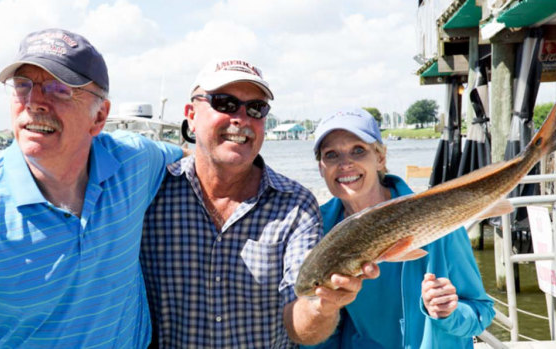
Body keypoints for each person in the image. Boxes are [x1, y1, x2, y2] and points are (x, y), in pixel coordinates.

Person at [140, 59, 379, 348]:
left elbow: (301, 327)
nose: (241, 118)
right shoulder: (150, 191)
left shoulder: (296, 206)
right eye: (225, 103)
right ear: (191, 114)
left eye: (255, 108)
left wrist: (323, 306)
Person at [0, 28, 184, 348]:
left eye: (58, 89)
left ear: (99, 117)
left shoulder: (133, 161)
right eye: (22, 86)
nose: (34, 102)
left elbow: (193, 157)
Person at [303, 108, 495, 348]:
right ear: (321, 168)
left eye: (358, 150)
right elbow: (322, 333)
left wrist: (449, 313)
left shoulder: (434, 216)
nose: (345, 164)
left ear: (380, 158)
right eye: (331, 155)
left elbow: (481, 312)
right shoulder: (317, 230)